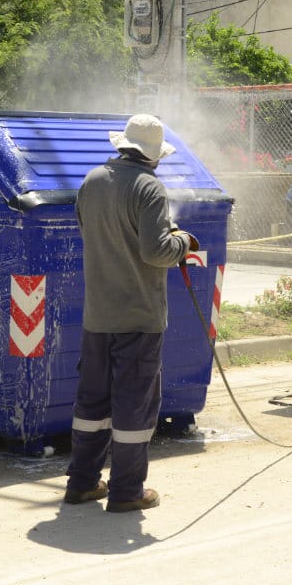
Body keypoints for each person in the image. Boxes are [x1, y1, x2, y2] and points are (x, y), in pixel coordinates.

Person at [64, 114, 198, 512]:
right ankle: (126, 492)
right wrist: (184, 244)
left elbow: (91, 232)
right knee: (134, 407)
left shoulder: (92, 181)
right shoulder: (149, 188)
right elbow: (156, 252)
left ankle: (84, 483)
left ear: (122, 145)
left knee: (92, 404)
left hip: (98, 316)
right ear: (153, 156)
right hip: (138, 317)